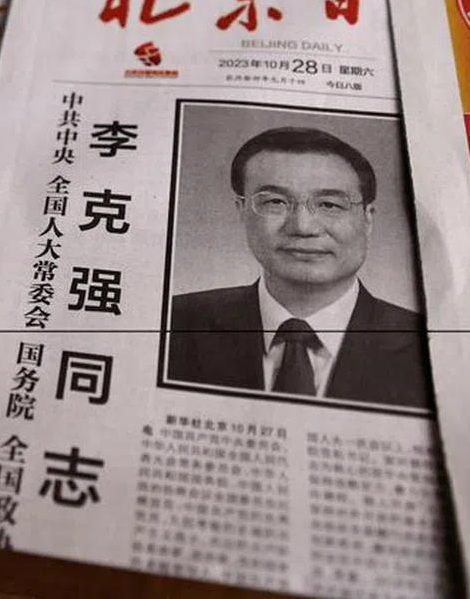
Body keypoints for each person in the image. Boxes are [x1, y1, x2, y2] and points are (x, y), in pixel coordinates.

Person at [166, 127, 431, 409]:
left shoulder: (426, 343)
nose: (303, 227)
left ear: (367, 218)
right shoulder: (173, 321)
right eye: (276, 202)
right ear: (241, 210)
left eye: (329, 204)